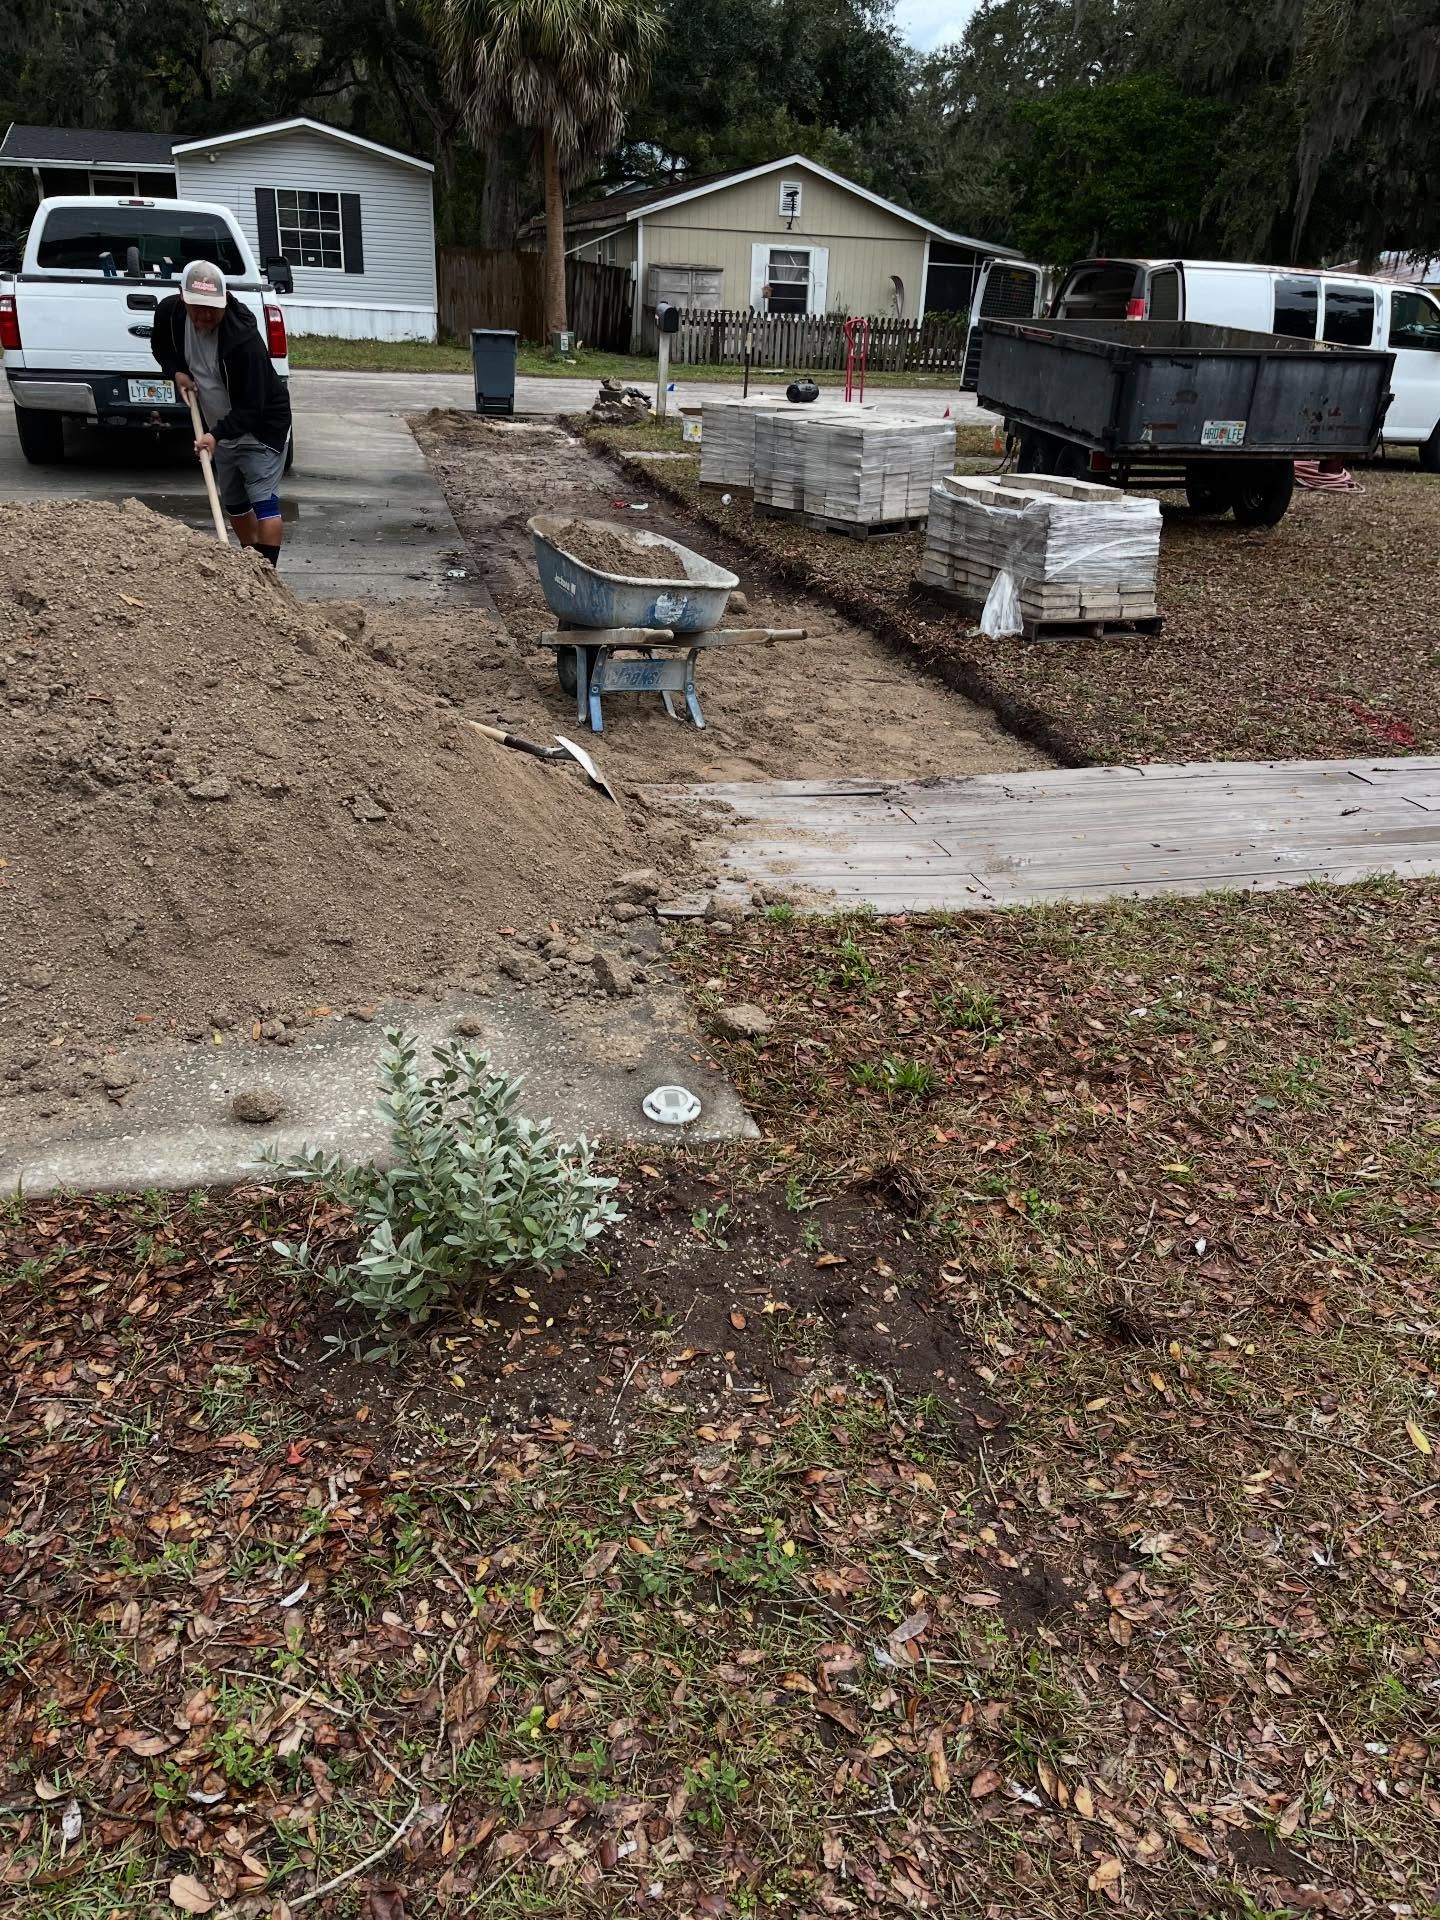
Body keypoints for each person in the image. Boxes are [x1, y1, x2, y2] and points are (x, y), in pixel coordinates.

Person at [152, 259, 292, 567]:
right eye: (197, 306)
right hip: (221, 427)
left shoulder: (243, 339)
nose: (205, 314)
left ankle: (267, 577)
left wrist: (215, 434)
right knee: (234, 503)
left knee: (263, 501)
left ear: (225, 299)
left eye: (212, 307)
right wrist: (177, 372)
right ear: (182, 297)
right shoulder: (170, 313)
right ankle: (248, 566)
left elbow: (252, 408)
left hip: (261, 427)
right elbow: (161, 348)